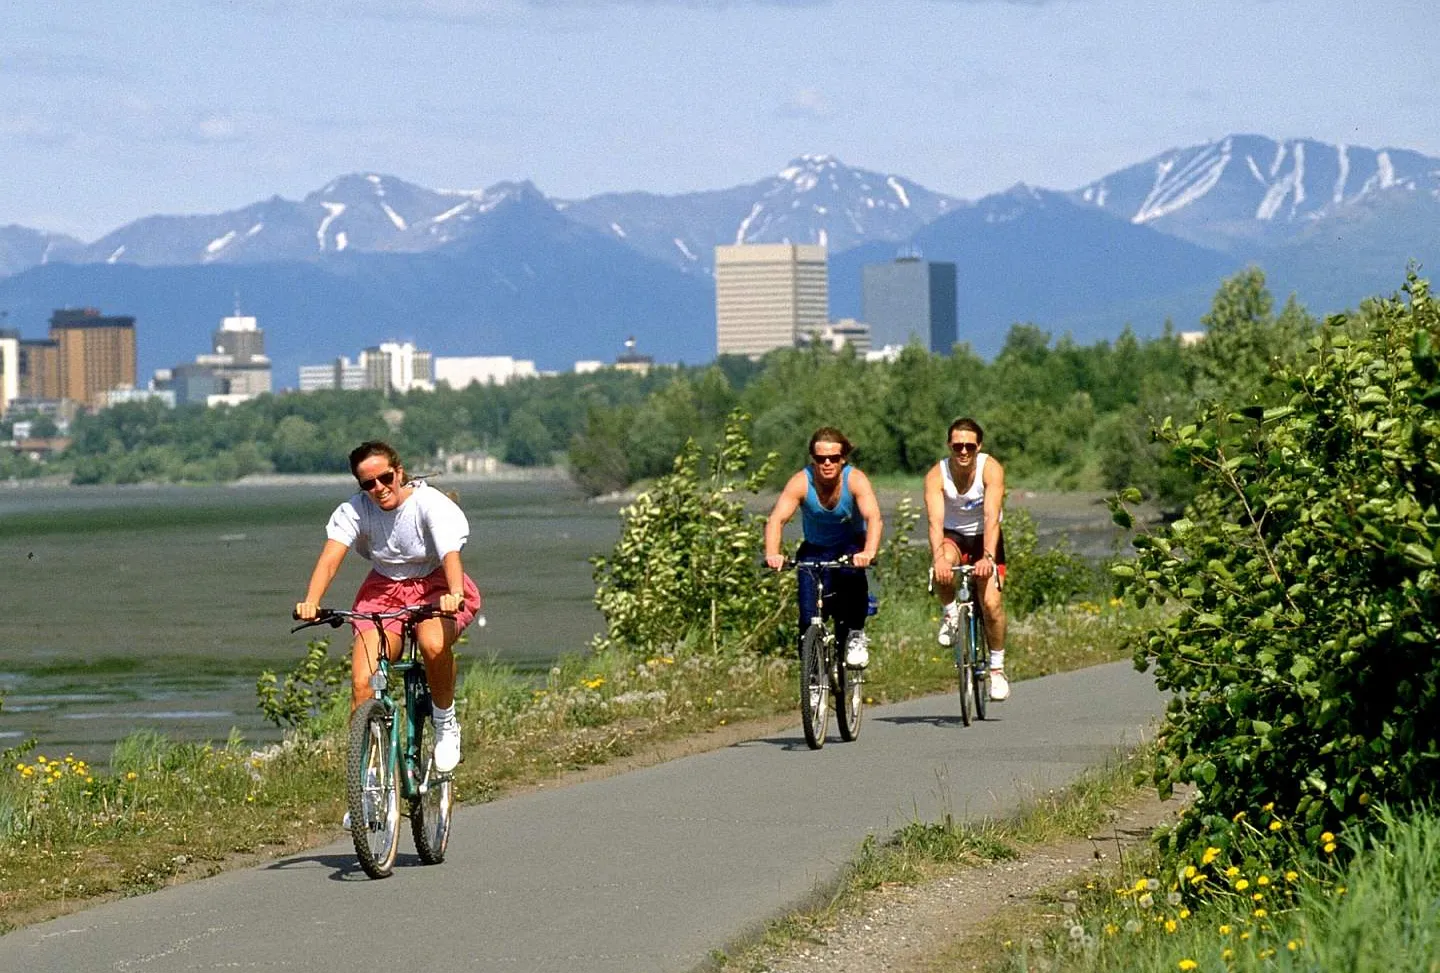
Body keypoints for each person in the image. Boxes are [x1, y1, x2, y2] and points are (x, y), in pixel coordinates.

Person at [294, 441, 482, 774]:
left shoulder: (428, 504)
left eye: (385, 478)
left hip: (434, 583)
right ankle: (366, 786)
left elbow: (451, 555)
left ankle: (445, 721)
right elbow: (330, 559)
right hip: (383, 590)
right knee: (362, 683)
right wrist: (312, 601)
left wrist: (454, 592)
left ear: (399, 472)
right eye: (368, 483)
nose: (379, 488)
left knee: (433, 644)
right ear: (360, 486)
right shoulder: (355, 511)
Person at [764, 427, 883, 668]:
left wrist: (869, 552)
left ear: (843, 459)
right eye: (820, 459)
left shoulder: (855, 480)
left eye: (833, 458)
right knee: (808, 617)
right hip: (815, 548)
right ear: (813, 460)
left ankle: (856, 635)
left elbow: (873, 518)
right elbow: (776, 519)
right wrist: (773, 554)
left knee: (853, 576)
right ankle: (813, 670)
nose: (827, 464)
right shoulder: (801, 482)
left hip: (850, 545)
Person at [925, 417, 1010, 701]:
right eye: (958, 446)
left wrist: (987, 556)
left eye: (969, 447)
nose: (963, 452)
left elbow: (991, 517)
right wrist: (938, 559)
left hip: (986, 537)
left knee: (991, 604)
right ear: (949, 445)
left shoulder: (991, 469)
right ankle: (950, 612)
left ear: (978, 447)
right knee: (942, 566)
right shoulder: (937, 475)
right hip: (954, 535)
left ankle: (997, 669)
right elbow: (935, 523)